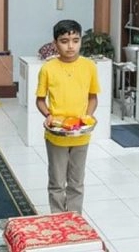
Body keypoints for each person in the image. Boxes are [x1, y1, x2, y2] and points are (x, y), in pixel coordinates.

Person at [35, 19, 100, 213]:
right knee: (56, 181)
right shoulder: (48, 68)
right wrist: (48, 115)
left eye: (75, 40)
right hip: (57, 134)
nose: (70, 46)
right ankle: (58, 219)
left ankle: (74, 220)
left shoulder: (89, 67)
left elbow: (93, 98)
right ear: (55, 44)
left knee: (77, 181)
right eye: (64, 41)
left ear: (81, 41)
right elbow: (40, 100)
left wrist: (87, 117)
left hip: (81, 134)